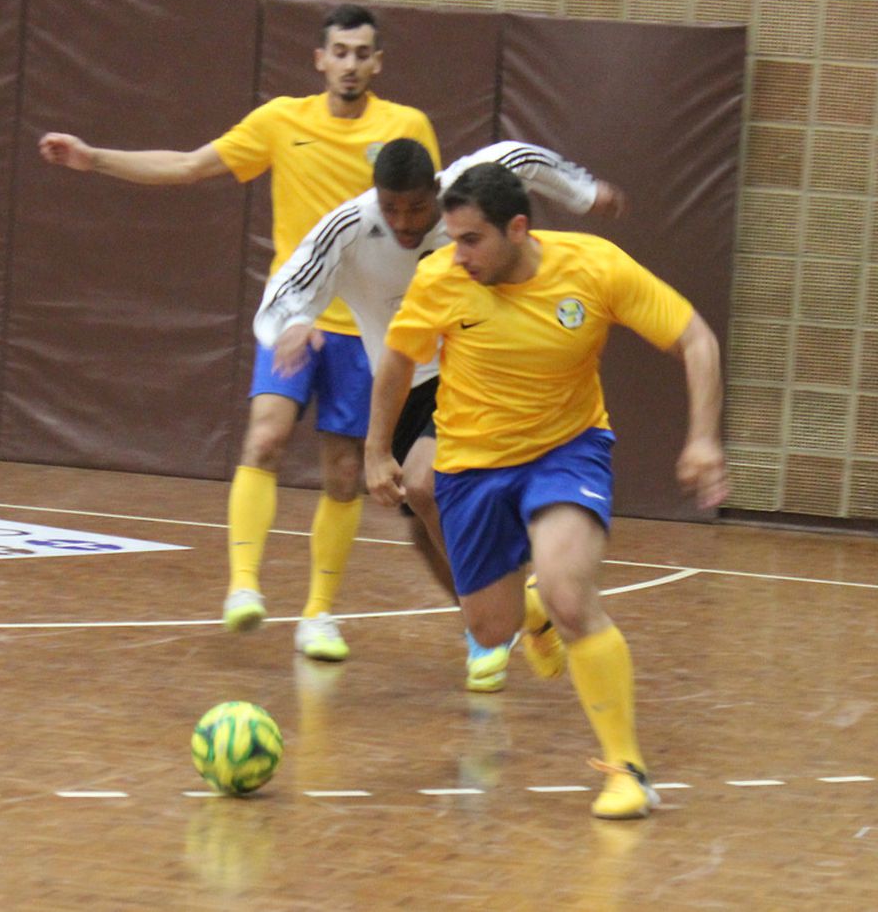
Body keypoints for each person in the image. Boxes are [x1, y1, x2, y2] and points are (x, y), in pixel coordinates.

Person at [38, 4, 440, 663]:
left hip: (366, 329)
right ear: (320, 59)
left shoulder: (407, 128)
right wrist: (94, 158)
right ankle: (244, 587)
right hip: (295, 318)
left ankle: (319, 614)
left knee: (344, 473)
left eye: (362, 53)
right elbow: (190, 166)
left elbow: (428, 223)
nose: (350, 64)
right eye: (339, 52)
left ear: (378, 63)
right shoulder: (282, 120)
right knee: (266, 437)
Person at [364, 163, 728, 819]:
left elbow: (696, 340)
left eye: (471, 239)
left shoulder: (594, 268)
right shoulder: (440, 279)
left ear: (517, 228)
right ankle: (527, 612)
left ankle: (626, 769)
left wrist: (702, 438)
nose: (458, 254)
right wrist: (376, 449)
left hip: (566, 451)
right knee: (491, 628)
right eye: (453, 239)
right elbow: (396, 361)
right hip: (471, 465)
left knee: (569, 594)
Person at [253, 138, 625, 692]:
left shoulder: (466, 193)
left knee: (426, 483)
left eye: (417, 208)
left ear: (436, 190)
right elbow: (286, 287)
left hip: (470, 373)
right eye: (391, 209)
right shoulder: (348, 228)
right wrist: (291, 325)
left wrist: (583, 193)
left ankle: (501, 618)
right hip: (404, 385)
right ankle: (509, 615)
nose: (405, 223)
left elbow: (522, 157)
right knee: (423, 517)